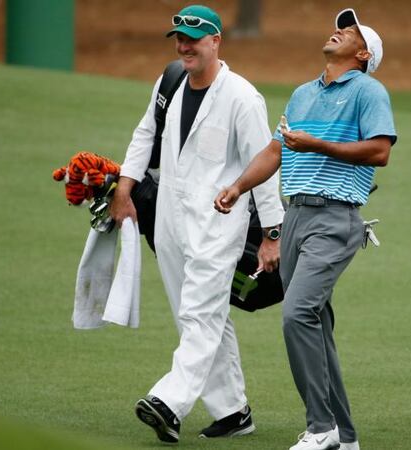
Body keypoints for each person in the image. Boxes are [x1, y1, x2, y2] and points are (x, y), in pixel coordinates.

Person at [214, 8, 396, 450]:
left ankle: (322, 428)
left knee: (297, 314)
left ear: (363, 53)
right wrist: (239, 186)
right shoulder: (301, 94)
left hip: (335, 219)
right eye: (339, 27)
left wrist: (317, 145)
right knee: (316, 324)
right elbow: (276, 151)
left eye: (349, 31)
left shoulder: (368, 90)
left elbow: (379, 151)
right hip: (295, 217)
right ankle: (347, 438)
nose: (337, 32)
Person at [109, 4, 285, 444]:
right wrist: (123, 187)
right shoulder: (169, 81)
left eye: (193, 37)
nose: (184, 45)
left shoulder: (243, 98)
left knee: (200, 316)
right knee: (200, 318)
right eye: (179, 38)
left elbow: (265, 164)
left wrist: (271, 234)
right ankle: (233, 411)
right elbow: (144, 133)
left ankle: (169, 402)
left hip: (218, 225)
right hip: (170, 218)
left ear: (216, 41)